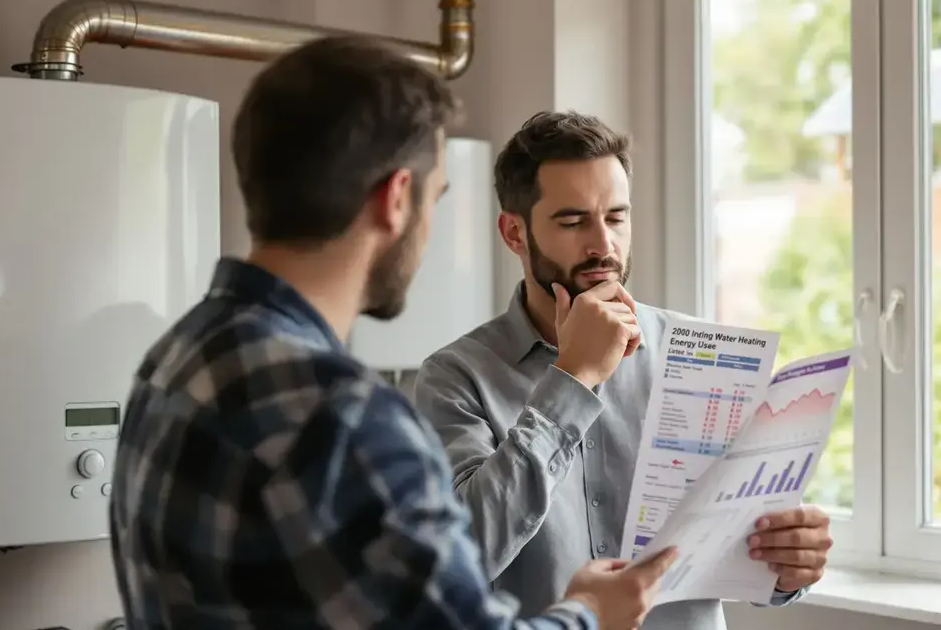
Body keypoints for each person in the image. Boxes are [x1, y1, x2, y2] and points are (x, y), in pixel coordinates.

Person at [108, 38, 679, 630]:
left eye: (615, 216)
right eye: (436, 199)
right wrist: (588, 616)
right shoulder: (346, 417)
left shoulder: (174, 357)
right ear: (396, 198)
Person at [413, 111, 835, 630]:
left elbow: (740, 546)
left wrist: (787, 569)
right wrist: (573, 380)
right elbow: (463, 555)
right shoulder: (453, 379)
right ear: (514, 233)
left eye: (615, 217)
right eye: (573, 222)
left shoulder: (701, 354)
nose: (603, 245)